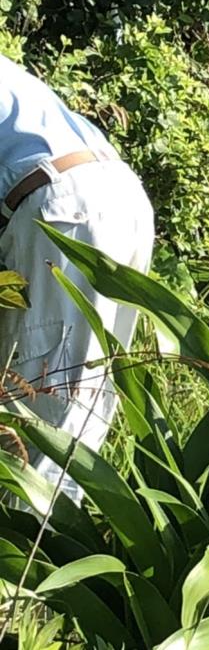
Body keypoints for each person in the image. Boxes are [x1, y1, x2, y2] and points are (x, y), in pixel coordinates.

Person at [0, 54, 154, 503]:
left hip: (63, 206)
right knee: (77, 411)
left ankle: (26, 558)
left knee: (38, 426)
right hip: (116, 198)